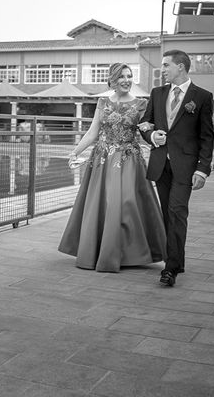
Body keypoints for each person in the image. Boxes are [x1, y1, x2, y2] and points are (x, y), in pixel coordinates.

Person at [58, 63, 166, 272]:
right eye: (121, 77)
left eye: (129, 76)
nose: (126, 80)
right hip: (102, 160)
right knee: (103, 204)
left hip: (129, 160)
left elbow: (147, 132)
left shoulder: (141, 104)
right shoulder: (103, 102)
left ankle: (127, 253)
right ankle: (100, 252)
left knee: (125, 203)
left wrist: (156, 139)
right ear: (112, 80)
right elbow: (92, 133)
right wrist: (75, 152)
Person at [140, 49, 214, 287]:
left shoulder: (202, 96)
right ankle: (177, 260)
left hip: (186, 168)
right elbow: (144, 124)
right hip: (161, 165)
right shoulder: (157, 93)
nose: (162, 70)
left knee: (177, 212)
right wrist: (152, 136)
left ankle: (170, 269)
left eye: (165, 65)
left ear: (180, 66)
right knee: (166, 215)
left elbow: (207, 136)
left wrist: (202, 169)